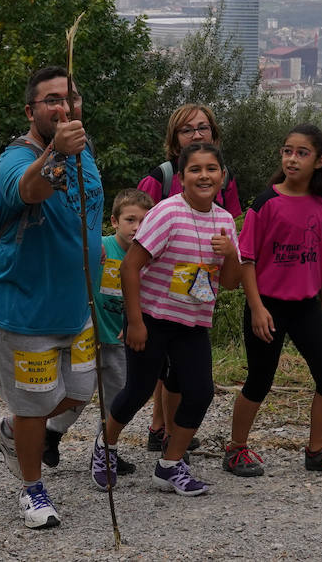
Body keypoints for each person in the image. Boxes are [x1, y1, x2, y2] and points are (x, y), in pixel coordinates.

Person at [0, 65, 104, 530]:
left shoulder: (85, 151)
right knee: (33, 404)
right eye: (51, 99)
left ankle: (12, 433)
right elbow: (28, 191)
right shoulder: (18, 157)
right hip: (24, 309)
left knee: (79, 392)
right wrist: (56, 153)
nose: (62, 105)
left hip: (76, 307)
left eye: (69, 97)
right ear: (32, 111)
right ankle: (31, 489)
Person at [90, 142, 242, 497]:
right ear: (182, 177)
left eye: (211, 169)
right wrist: (136, 321)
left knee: (201, 392)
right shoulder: (167, 213)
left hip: (192, 323)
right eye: (195, 169)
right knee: (138, 391)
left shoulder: (223, 222)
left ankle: (170, 465)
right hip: (151, 319)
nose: (204, 175)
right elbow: (130, 267)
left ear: (222, 176)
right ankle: (106, 446)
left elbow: (232, 282)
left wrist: (231, 253)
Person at [224, 125, 322, 477]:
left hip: (307, 307)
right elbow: (246, 259)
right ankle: (236, 449)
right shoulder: (265, 203)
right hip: (267, 305)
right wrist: (256, 308)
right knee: (259, 380)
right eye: (287, 151)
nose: (292, 159)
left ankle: (317, 452)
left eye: (302, 153)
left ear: (319, 161)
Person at [136, 103, 241, 454]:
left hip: (198, 294)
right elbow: (134, 227)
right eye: (187, 130)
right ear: (174, 139)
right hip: (159, 292)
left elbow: (230, 226)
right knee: (160, 369)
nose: (196, 134)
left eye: (203, 128)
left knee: (181, 371)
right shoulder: (160, 178)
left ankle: (166, 432)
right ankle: (159, 427)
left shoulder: (225, 181)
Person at [42, 188, 153, 474]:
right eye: (130, 220)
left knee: (118, 400)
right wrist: (89, 251)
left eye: (144, 221)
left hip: (121, 341)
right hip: (88, 336)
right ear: (114, 222)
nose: (136, 227)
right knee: (76, 395)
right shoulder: (100, 245)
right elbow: (69, 262)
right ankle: (50, 435)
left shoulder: (151, 257)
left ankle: (105, 450)